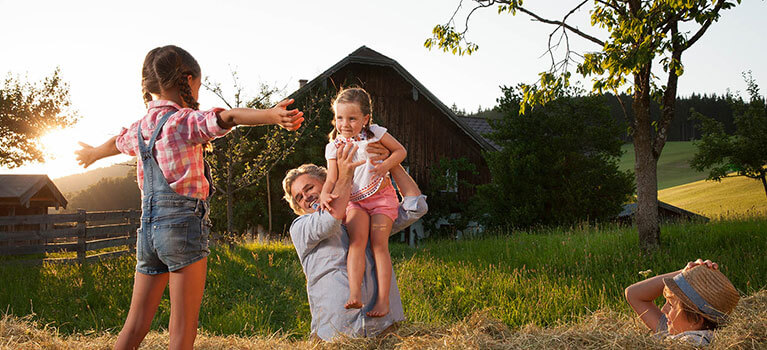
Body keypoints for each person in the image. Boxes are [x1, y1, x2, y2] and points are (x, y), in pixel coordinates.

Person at [74, 45, 303, 350]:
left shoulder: (141, 129)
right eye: (197, 84)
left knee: (135, 324)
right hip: (182, 230)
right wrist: (271, 116)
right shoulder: (183, 122)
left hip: (148, 234)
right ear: (188, 79)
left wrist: (92, 153)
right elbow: (229, 116)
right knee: (182, 329)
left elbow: (116, 143)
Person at [282, 142, 427, 341]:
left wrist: (391, 162)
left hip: (383, 330)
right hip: (336, 335)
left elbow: (415, 207)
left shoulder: (367, 216)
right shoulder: (301, 227)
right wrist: (346, 175)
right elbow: (330, 221)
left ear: (327, 183)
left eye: (309, 188)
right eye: (299, 197)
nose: (306, 197)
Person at [319, 87, 407, 317]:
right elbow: (331, 179)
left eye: (352, 118)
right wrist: (324, 194)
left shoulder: (375, 133)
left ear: (365, 119)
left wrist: (386, 166)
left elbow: (400, 151)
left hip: (381, 199)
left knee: (379, 245)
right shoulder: (334, 146)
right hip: (355, 202)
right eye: (339, 118)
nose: (344, 124)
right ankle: (355, 294)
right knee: (357, 242)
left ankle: (383, 302)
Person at [625, 259, 740, 346]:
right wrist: (684, 275)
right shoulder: (679, 328)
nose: (663, 310)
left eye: (671, 305)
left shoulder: (693, 342)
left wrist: (681, 276)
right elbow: (633, 294)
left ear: (696, 320)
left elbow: (633, 294)